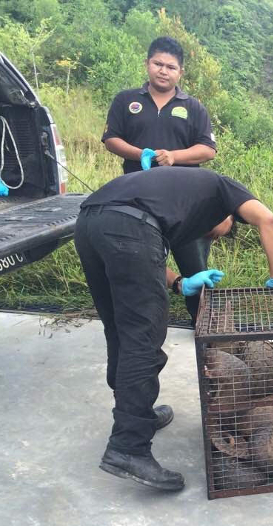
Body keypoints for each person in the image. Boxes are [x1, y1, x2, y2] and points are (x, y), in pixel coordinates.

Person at [75, 167, 273, 491]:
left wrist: (180, 283)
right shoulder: (224, 188)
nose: (213, 235)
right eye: (218, 232)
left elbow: (141, 249)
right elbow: (268, 220)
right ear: (230, 215)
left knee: (121, 330)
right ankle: (128, 447)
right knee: (143, 338)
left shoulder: (173, 199)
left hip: (90, 222)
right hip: (126, 227)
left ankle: (136, 413)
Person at [102, 36, 218, 325]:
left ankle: (203, 324)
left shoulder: (193, 107)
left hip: (184, 203)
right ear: (147, 64)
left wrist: (174, 157)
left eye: (171, 66)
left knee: (194, 266)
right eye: (158, 64)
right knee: (141, 259)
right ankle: (146, 323)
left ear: (180, 72)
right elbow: (110, 139)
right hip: (137, 201)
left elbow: (208, 149)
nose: (163, 71)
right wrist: (139, 152)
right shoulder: (126, 100)